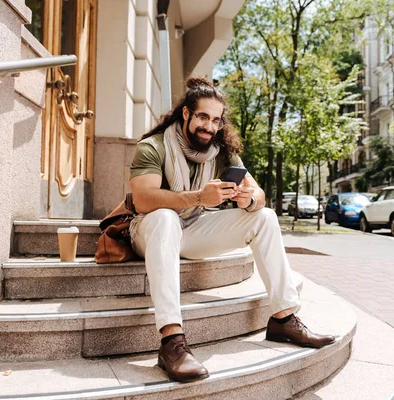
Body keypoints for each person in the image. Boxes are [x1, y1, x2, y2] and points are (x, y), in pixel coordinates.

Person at [129, 76, 335, 383]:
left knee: (264, 217)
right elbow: (143, 199)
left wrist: (248, 198)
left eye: (215, 120)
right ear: (185, 113)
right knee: (165, 218)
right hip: (149, 230)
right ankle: (172, 342)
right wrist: (200, 196)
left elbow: (260, 194)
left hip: (192, 229)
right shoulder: (153, 146)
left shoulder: (220, 150)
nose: (209, 127)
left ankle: (283, 318)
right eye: (202, 117)